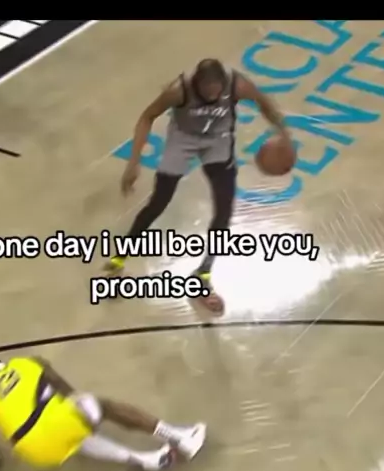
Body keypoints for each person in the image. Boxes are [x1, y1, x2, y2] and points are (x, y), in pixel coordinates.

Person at [105, 58, 294, 314]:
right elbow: (147, 116)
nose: (213, 96)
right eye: (208, 92)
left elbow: (264, 102)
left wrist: (284, 133)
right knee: (159, 202)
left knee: (224, 210)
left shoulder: (237, 84)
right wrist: (134, 161)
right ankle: (118, 260)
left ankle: (203, 275)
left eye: (217, 92)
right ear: (197, 84)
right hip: (183, 139)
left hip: (217, 140)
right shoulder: (179, 90)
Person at [0, 355, 206, 471]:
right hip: (58, 419)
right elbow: (68, 392)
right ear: (3, 365)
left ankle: (144, 460)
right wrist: (86, 410)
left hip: (33, 451)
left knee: (74, 438)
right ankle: (180, 438)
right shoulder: (27, 362)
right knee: (104, 407)